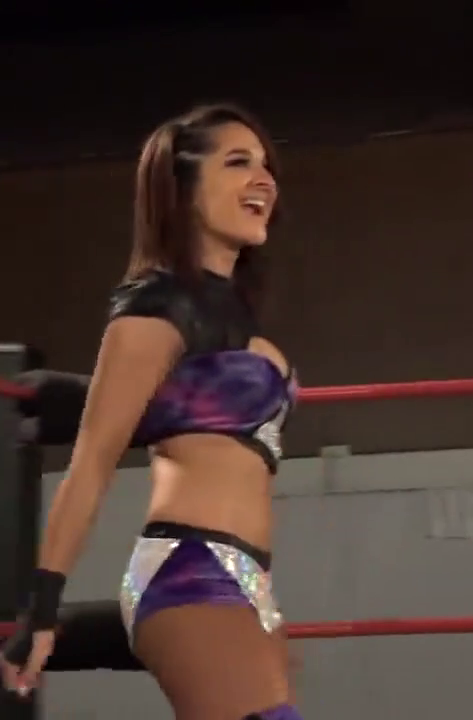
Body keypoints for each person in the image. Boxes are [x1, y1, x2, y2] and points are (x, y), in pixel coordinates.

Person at [0, 103, 300, 720]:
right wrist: (43, 608)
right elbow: (91, 463)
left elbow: (183, 410)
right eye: (238, 162)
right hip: (191, 568)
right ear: (183, 188)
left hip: (249, 580)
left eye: (266, 165)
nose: (264, 179)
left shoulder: (234, 313)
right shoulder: (153, 309)